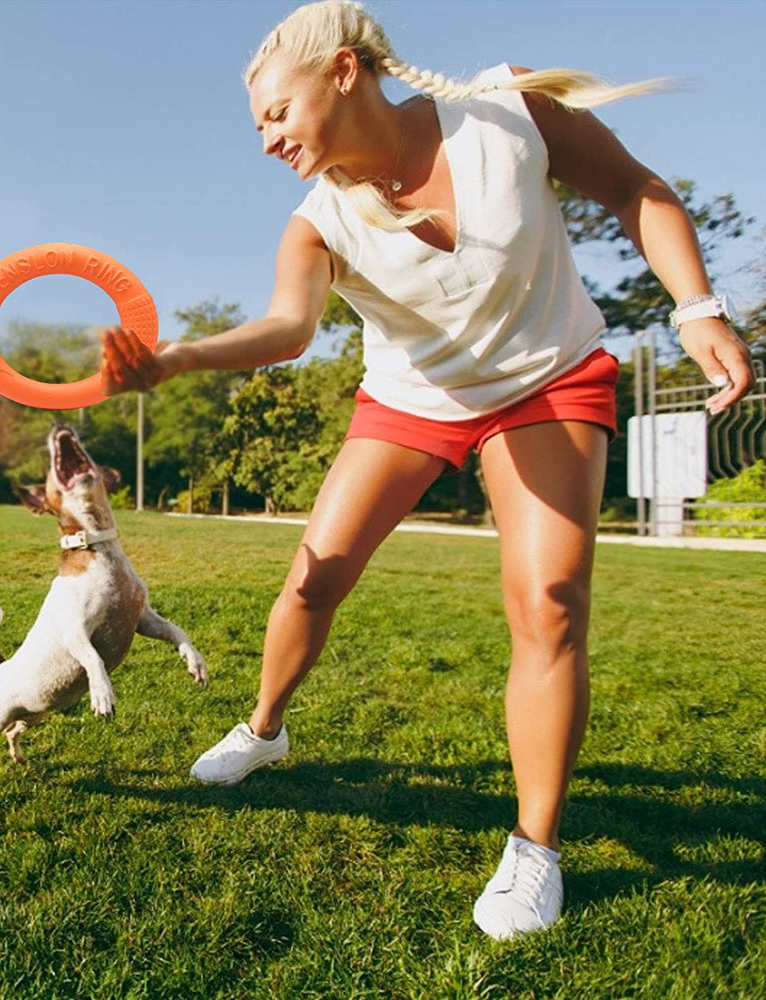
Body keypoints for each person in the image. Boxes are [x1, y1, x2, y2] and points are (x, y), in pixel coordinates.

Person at [96, 0, 753, 940]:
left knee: (552, 601)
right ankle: (265, 729)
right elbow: (287, 331)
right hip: (410, 400)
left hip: (547, 382)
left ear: (345, 71)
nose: (266, 138)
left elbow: (635, 189)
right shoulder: (317, 220)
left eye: (276, 113)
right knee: (311, 582)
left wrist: (697, 309)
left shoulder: (507, 113)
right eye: (257, 128)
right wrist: (173, 360)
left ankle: (535, 850)